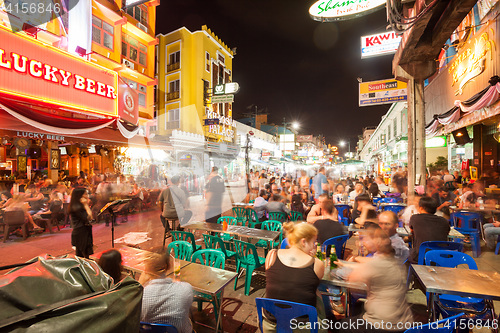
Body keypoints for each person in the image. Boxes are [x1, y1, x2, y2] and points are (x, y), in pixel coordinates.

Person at [338, 228, 413, 332]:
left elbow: (352, 282)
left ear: (376, 243)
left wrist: (351, 263)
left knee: (343, 325)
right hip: (403, 320)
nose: (363, 241)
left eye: (365, 239)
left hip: (382, 324)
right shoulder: (396, 262)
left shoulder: (375, 264)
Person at [264, 222, 326, 332]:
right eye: (313, 241)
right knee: (319, 296)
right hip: (302, 326)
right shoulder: (317, 264)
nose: (315, 245)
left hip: (271, 323)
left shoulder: (272, 254)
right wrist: (311, 257)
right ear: (303, 241)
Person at [140, 253, 194, 333]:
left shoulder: (141, 294)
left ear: (145, 270)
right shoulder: (186, 289)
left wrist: (140, 285)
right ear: (168, 266)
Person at [409, 196, 450, 263]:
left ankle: (411, 272)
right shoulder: (444, 221)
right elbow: (447, 233)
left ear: (421, 208)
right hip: (440, 258)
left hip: (421, 257)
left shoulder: (415, 218)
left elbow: (411, 231)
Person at [69, 188, 94, 259]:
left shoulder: (78, 205)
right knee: (83, 254)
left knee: (83, 253)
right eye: (85, 194)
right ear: (80, 196)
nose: (87, 196)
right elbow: (89, 217)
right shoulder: (76, 207)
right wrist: (86, 204)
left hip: (83, 229)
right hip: (80, 231)